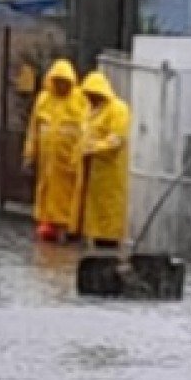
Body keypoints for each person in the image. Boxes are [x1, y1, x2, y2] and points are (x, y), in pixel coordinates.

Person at [21, 59, 88, 242]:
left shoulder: (80, 100)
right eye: (57, 81)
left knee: (69, 198)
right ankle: (48, 227)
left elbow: (87, 129)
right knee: (47, 194)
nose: (61, 85)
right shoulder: (43, 99)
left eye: (64, 82)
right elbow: (34, 130)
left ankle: (70, 229)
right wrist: (29, 155)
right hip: (48, 162)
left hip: (70, 162)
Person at [79, 70, 133, 249]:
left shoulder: (119, 109)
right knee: (96, 221)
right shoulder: (90, 111)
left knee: (109, 219)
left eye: (93, 95)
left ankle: (109, 249)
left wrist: (92, 148)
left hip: (110, 175)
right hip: (93, 177)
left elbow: (117, 140)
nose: (90, 98)